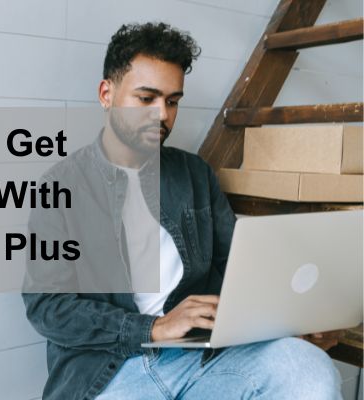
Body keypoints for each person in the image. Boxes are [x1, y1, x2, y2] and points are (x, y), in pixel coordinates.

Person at [22, 22, 343, 400]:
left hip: (199, 360)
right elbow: (47, 307)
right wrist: (152, 328)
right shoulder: (60, 187)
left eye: (172, 101)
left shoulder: (194, 175)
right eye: (146, 98)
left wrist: (291, 321)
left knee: (308, 368)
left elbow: (238, 269)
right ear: (106, 94)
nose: (162, 115)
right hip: (110, 372)